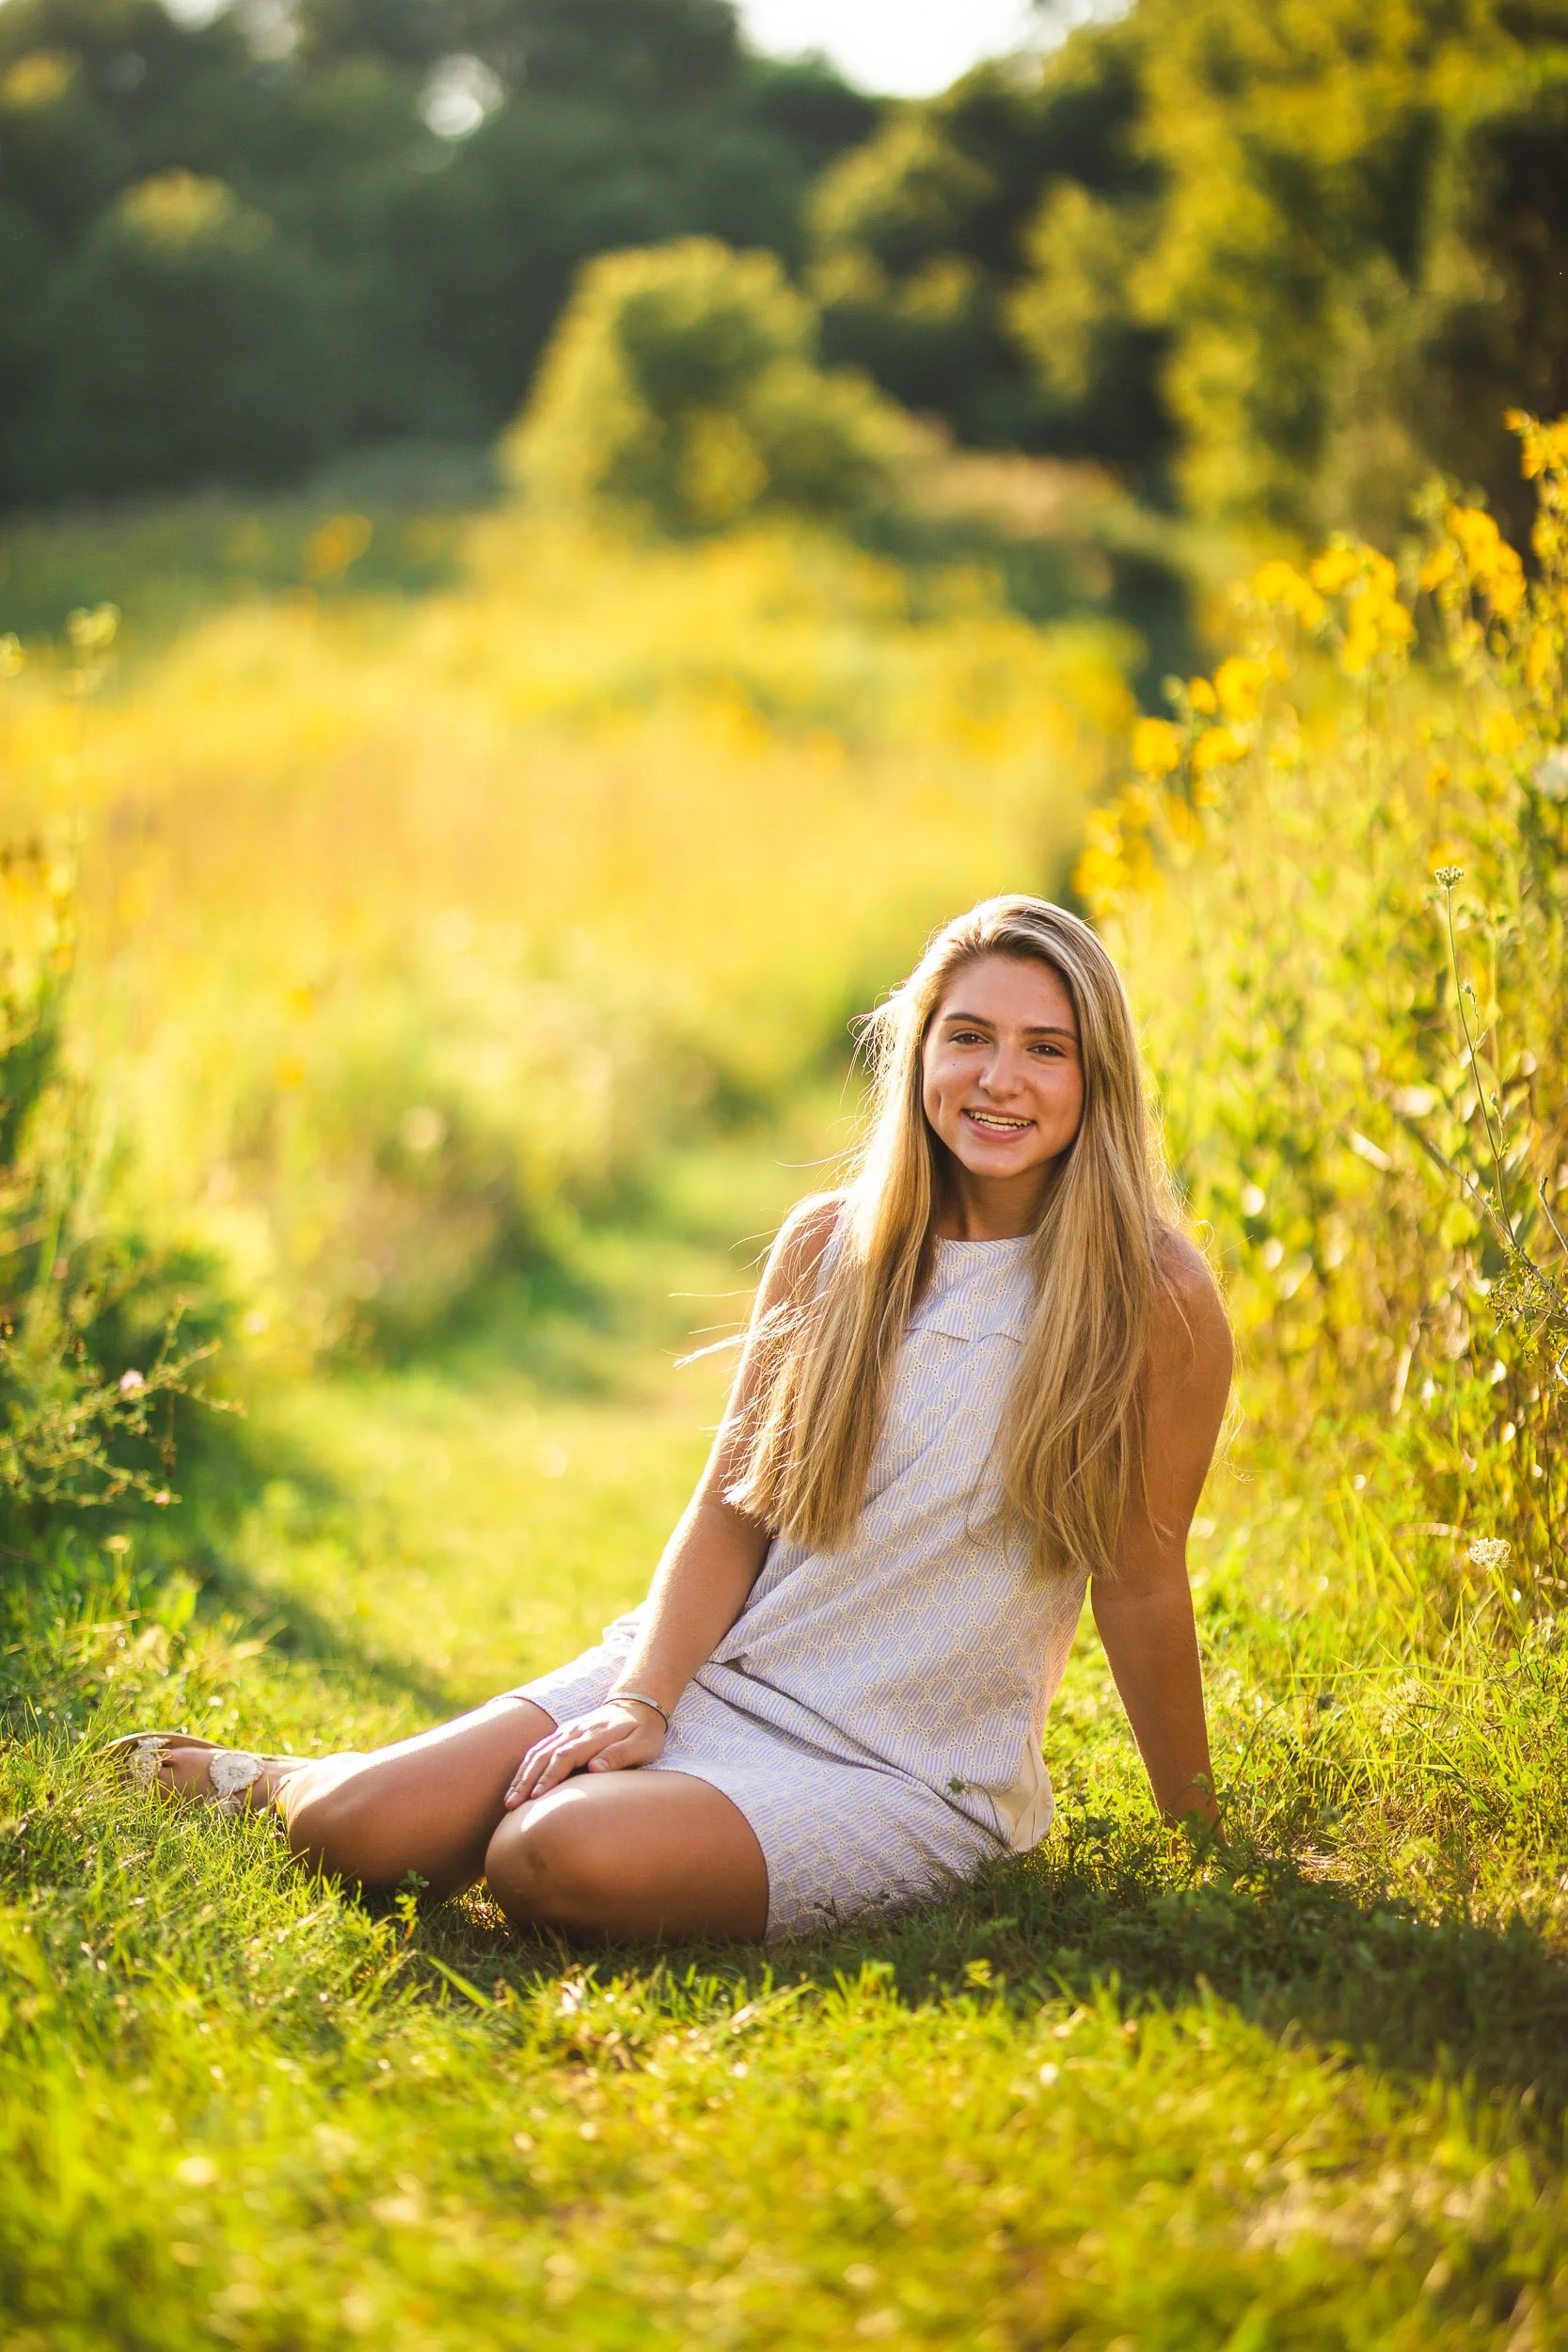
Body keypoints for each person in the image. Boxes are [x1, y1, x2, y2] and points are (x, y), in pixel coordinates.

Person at [114, 895, 1232, 1946]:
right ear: (920, 1053)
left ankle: (502, 1797)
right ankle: (280, 1777)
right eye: (968, 1036)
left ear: (1099, 1078)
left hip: (899, 1767)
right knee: (360, 1830)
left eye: (1046, 1048)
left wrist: (1200, 1844)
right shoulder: (829, 1248)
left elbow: (1139, 1578)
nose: (998, 1079)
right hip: (712, 1674)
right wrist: (644, 1698)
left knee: (546, 1858)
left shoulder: (1151, 1299)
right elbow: (732, 1514)